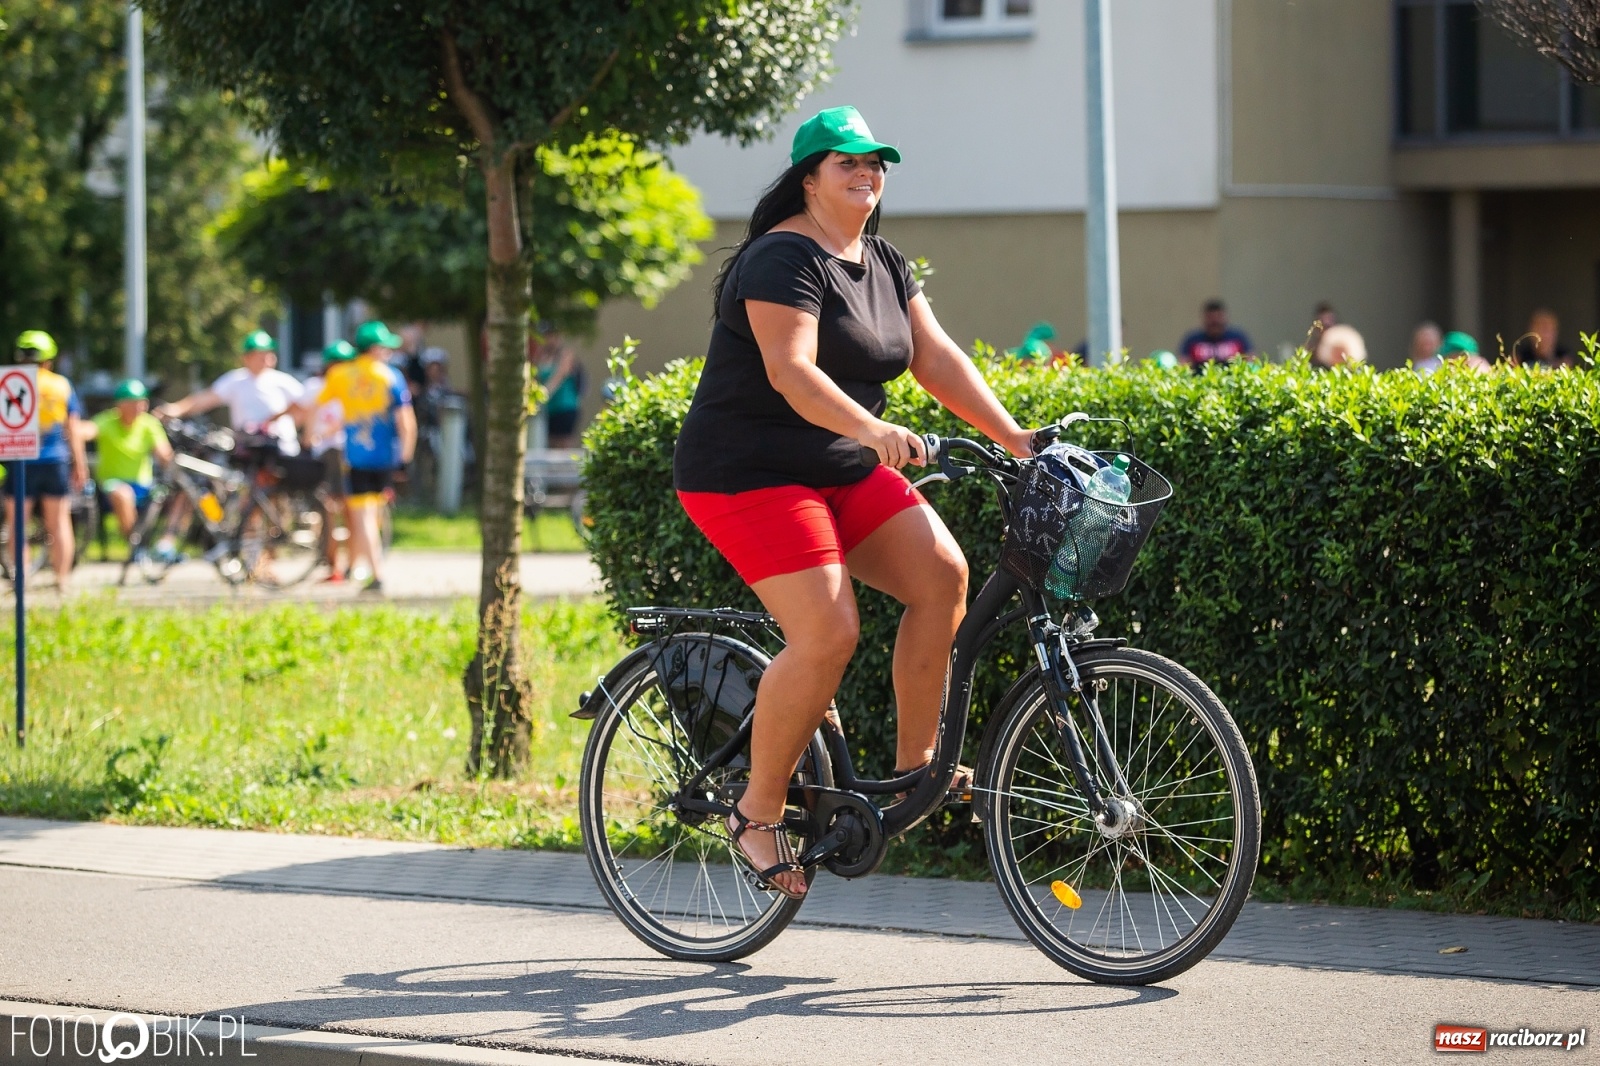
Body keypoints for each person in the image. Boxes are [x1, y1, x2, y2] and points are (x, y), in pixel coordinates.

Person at [672, 105, 1035, 899]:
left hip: (837, 467)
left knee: (942, 575)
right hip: (748, 473)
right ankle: (756, 810)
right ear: (809, 179)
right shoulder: (781, 258)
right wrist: (873, 429)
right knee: (829, 632)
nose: (867, 173)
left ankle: (917, 768)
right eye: (848, 162)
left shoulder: (885, 261)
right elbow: (790, 371)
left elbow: (935, 358)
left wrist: (1014, 436)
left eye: (876, 163)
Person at [317, 320, 416, 594]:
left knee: (363, 517)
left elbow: (319, 407)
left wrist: (315, 434)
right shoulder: (390, 377)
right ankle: (363, 568)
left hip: (357, 458)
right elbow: (406, 422)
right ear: (374, 349)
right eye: (385, 348)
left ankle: (374, 573)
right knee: (371, 516)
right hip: (385, 458)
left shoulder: (341, 375)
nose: (389, 353)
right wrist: (405, 459)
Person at [2, 330, 88, 588]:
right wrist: (80, 464)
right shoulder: (61, 385)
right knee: (59, 522)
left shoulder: (9, 382)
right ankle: (62, 580)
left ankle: (21, 579)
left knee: (18, 523)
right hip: (55, 460)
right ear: (48, 359)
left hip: (19, 460)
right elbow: (73, 428)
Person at [157, 330, 306, 455]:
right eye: (260, 354)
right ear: (247, 357)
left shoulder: (283, 381)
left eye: (268, 353)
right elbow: (206, 398)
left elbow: (305, 405)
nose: (266, 358)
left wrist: (280, 419)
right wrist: (176, 409)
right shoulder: (236, 380)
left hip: (282, 449)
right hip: (249, 449)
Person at [81, 379, 174, 551]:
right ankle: (136, 546)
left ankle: (165, 546)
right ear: (119, 405)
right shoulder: (107, 420)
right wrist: (73, 427)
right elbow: (86, 430)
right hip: (111, 486)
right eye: (132, 404)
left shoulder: (149, 423)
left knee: (172, 494)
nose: (137, 408)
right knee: (123, 494)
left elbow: (164, 453)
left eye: (141, 403)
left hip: (144, 486)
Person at [303, 340, 355, 582]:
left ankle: (350, 563)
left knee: (347, 508)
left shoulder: (351, 387)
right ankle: (334, 563)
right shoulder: (316, 386)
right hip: (324, 453)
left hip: (342, 451)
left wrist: (319, 434)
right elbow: (306, 411)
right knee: (329, 509)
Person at [532, 329, 584, 448]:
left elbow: (559, 376)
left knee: (563, 444)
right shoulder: (541, 357)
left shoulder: (566, 355)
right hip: (549, 409)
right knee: (551, 444)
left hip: (565, 407)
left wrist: (543, 394)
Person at [1178, 299, 1254, 372]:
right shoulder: (1193, 340)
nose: (1215, 321)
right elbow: (1183, 365)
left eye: (1218, 317)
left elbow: (1250, 361)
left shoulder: (1237, 338)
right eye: (1211, 318)